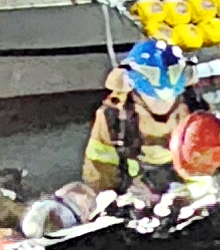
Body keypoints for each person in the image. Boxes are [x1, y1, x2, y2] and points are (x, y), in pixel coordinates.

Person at [81, 36, 192, 199]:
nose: (162, 105)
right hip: (134, 198)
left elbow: (210, 166)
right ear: (135, 91)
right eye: (153, 97)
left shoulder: (195, 110)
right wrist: (113, 201)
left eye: (170, 98)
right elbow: (99, 172)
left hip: (187, 199)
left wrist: (187, 194)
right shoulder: (114, 118)